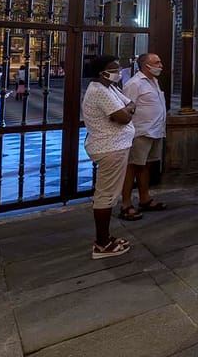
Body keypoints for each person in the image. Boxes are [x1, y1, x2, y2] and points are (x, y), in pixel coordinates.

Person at [81, 55, 135, 259]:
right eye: (114, 68)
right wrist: (125, 112)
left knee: (108, 193)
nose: (119, 71)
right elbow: (124, 116)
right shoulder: (99, 91)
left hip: (115, 146)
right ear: (101, 71)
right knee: (105, 195)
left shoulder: (110, 88)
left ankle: (106, 239)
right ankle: (102, 244)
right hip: (109, 148)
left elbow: (130, 105)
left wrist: (125, 110)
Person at [120, 53, 167, 220]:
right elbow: (127, 108)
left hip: (154, 130)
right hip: (140, 131)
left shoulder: (153, 81)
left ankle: (144, 198)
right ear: (146, 65)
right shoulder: (134, 84)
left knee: (145, 165)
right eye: (157, 62)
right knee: (132, 166)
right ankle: (125, 204)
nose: (160, 65)